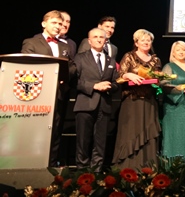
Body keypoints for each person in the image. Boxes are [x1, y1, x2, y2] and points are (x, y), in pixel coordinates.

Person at [21, 10, 72, 167]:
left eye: (60, 24)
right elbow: (26, 65)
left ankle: (51, 165)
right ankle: (30, 164)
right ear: (44, 24)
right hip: (36, 96)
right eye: (54, 23)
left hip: (58, 94)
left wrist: (64, 76)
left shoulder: (65, 46)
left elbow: (72, 67)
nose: (58, 26)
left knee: (55, 131)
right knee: (35, 130)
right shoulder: (31, 42)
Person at [112, 29, 162, 168]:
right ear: (136, 42)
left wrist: (158, 80)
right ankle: (128, 168)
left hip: (149, 102)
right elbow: (119, 76)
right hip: (132, 101)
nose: (146, 42)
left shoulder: (156, 59)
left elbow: (159, 78)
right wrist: (128, 75)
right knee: (131, 133)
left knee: (149, 134)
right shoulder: (129, 56)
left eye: (148, 40)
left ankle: (149, 168)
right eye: (142, 40)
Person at [73, 27, 119, 170]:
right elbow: (74, 81)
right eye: (95, 37)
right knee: (83, 141)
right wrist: (94, 86)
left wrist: (109, 86)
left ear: (105, 41)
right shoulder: (80, 58)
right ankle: (82, 172)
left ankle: (96, 172)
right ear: (89, 41)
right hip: (85, 104)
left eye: (101, 37)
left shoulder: (111, 60)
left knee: (100, 142)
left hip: (104, 106)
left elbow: (116, 83)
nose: (99, 40)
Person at [160, 41, 185, 160]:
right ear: (173, 53)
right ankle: (171, 167)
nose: (181, 52)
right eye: (178, 50)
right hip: (173, 108)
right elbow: (164, 85)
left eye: (183, 50)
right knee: (173, 137)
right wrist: (183, 89)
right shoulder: (169, 67)